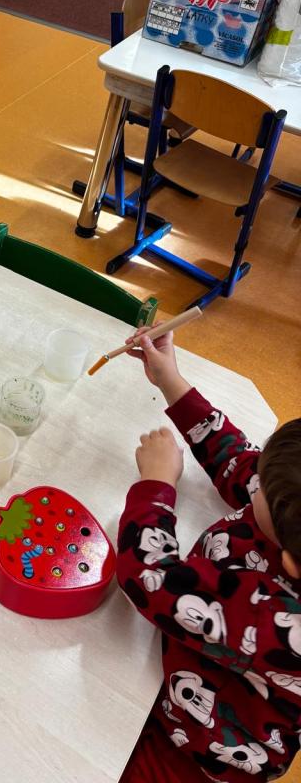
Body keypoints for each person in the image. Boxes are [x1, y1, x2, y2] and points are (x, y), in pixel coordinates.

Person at [117, 328, 301, 783]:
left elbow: (149, 580)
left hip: (200, 746)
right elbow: (241, 462)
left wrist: (156, 487)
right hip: (195, 643)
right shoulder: (290, 514)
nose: (255, 477)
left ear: (290, 563)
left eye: (263, 487)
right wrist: (171, 382)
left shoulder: (276, 621)